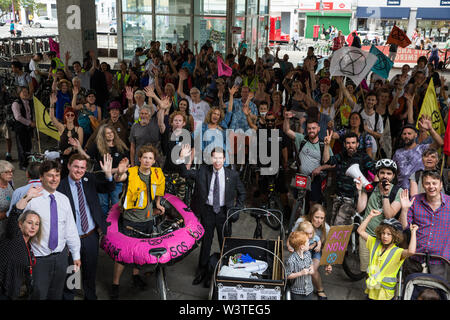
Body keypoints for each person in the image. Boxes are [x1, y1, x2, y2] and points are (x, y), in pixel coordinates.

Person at [177, 146, 246, 287]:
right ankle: (202, 271)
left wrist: (236, 209)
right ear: (211, 158)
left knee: (225, 242)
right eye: (215, 157)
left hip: (224, 213)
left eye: (220, 158)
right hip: (207, 211)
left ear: (224, 159)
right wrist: (183, 158)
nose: (218, 161)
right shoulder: (203, 171)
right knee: (206, 243)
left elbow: (242, 193)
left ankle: (226, 271)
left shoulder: (232, 175)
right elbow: (185, 173)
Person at [111, 145, 166, 299]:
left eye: (150, 158)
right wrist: (120, 171)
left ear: (154, 161)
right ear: (140, 159)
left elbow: (159, 190)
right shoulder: (131, 172)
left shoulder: (157, 173)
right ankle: (115, 284)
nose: (147, 160)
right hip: (131, 220)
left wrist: (158, 204)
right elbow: (118, 178)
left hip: (147, 219)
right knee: (123, 254)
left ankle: (135, 276)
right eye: (145, 157)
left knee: (139, 251)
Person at [57, 153, 114, 300]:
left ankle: (90, 296)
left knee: (90, 269)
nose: (79, 170)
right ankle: (69, 296)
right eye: (76, 166)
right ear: (69, 166)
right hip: (71, 239)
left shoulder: (90, 179)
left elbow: (107, 188)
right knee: (72, 271)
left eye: (82, 168)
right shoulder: (61, 187)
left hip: (90, 236)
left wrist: (108, 175)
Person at [23, 160, 81, 300]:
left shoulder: (64, 200)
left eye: (57, 175)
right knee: (38, 294)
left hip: (61, 257)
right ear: (41, 177)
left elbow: (70, 230)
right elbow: (21, 228)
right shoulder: (32, 200)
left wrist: (76, 254)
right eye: (50, 175)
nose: (54, 179)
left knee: (56, 294)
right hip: (39, 259)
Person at [400, 170, 450, 278]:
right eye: (427, 183)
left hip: (440, 260)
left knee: (438, 292)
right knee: (412, 291)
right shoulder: (415, 200)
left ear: (441, 185)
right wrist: (404, 210)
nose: (431, 186)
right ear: (423, 185)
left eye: (434, 183)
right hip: (416, 256)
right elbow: (405, 227)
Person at [356, 159, 403, 274]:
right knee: (368, 271)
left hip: (386, 239)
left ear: (393, 176)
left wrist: (385, 195)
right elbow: (360, 209)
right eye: (382, 173)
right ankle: (369, 292)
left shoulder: (398, 192)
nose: (385, 176)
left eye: (389, 173)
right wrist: (359, 191)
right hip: (366, 235)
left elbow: (389, 216)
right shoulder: (370, 187)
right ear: (377, 174)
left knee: (381, 271)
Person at [357, 211, 418, 300]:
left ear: (395, 236)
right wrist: (370, 216)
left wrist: (413, 232)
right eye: (383, 233)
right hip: (372, 291)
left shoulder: (398, 252)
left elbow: (411, 251)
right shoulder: (374, 243)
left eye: (389, 234)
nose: (385, 236)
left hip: (385, 295)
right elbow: (360, 231)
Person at [323, 131, 375, 225]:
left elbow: (375, 171)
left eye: (353, 143)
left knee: (338, 226)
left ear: (357, 144)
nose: (350, 145)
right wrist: (327, 145)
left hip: (352, 199)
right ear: (344, 144)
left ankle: (337, 240)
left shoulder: (363, 157)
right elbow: (327, 161)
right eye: (348, 143)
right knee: (332, 224)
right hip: (338, 197)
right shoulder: (341, 155)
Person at [0, 186, 43, 300]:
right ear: (20, 224)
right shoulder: (13, 236)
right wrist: (27, 197)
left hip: (14, 293)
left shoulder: (28, 246)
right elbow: (14, 213)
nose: (33, 227)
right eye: (30, 222)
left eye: (37, 224)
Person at [85, 124, 129, 217]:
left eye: (112, 132)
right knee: (103, 204)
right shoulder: (97, 146)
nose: (110, 134)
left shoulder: (120, 145)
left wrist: (116, 170)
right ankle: (104, 226)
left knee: (116, 204)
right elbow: (87, 157)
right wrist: (78, 148)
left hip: (117, 179)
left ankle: (114, 226)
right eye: (107, 133)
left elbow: (126, 161)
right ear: (103, 135)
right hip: (101, 180)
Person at [290, 204, 332, 299]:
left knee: (312, 269)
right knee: (298, 267)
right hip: (301, 248)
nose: (319, 221)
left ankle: (320, 289)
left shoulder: (326, 228)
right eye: (316, 217)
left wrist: (328, 263)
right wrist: (292, 249)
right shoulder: (301, 222)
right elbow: (292, 236)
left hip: (316, 250)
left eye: (322, 218)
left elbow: (327, 247)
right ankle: (297, 286)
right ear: (311, 215)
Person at [393, 122, 443, 190]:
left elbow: (440, 143)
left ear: (415, 135)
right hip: (401, 191)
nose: (406, 136)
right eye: (404, 134)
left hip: (419, 190)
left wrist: (430, 129)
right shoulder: (398, 152)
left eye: (409, 134)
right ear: (401, 136)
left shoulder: (422, 148)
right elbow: (394, 172)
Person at [49, 93, 84, 179]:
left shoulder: (79, 129)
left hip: (74, 159)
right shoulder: (61, 127)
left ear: (75, 116)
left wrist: (71, 148)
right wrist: (52, 104)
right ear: (65, 116)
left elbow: (80, 145)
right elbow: (52, 118)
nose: (70, 116)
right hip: (62, 159)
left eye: (72, 115)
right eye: (68, 115)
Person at [11, 86, 35, 170]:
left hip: (28, 128)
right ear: (19, 93)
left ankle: (27, 162)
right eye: (23, 92)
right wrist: (29, 123)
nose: (25, 93)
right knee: (22, 147)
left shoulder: (28, 102)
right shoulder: (16, 103)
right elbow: (18, 117)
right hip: (20, 128)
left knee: (28, 146)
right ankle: (22, 165)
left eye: (26, 91)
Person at [286, 231, 314, 300]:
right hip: (297, 292)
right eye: (307, 242)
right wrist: (300, 273)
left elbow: (311, 264)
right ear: (302, 247)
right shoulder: (291, 260)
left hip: (309, 289)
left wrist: (312, 269)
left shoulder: (308, 254)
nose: (309, 243)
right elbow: (287, 275)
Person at [0, 161, 14, 241]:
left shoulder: (10, 183)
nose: (11, 174)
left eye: (12, 171)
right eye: (7, 172)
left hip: (9, 227)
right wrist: (8, 213)